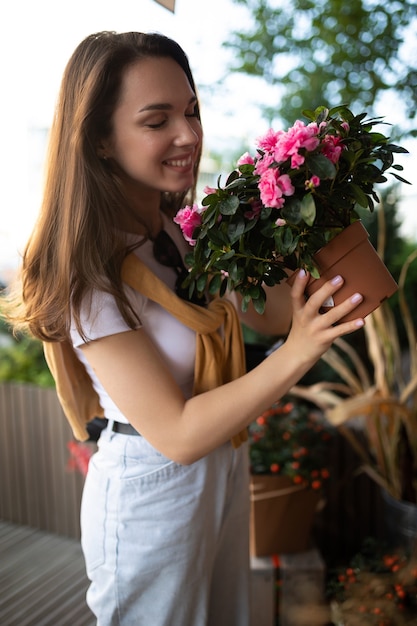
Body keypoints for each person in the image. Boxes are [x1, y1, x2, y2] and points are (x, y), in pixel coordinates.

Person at [5, 31, 365, 626]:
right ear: (98, 139)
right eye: (157, 120)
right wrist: (299, 351)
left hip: (220, 466)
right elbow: (175, 431)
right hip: (153, 487)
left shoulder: (173, 233)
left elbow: (266, 315)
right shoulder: (90, 273)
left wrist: (303, 241)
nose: (189, 135)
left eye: (192, 110)